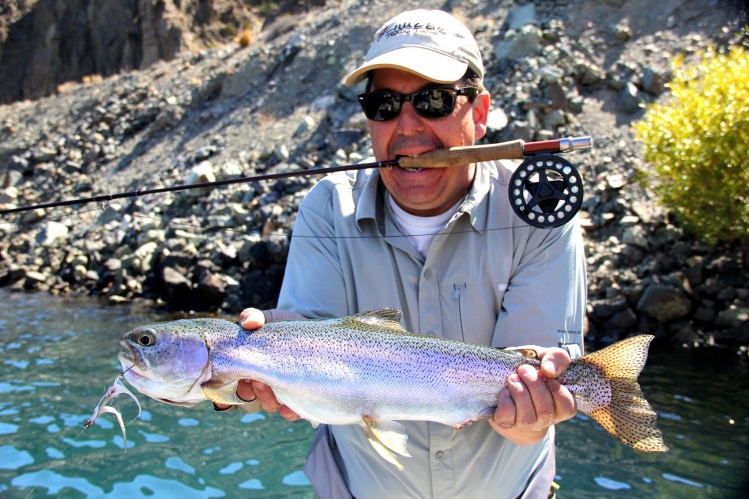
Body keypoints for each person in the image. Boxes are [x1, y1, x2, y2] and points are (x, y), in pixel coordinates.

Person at [222, 9, 587, 498]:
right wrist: (274, 353)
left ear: (478, 114)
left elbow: (526, 423)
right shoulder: (329, 208)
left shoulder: (537, 213)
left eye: (434, 101)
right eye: (384, 105)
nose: (407, 126)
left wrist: (533, 411)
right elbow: (307, 332)